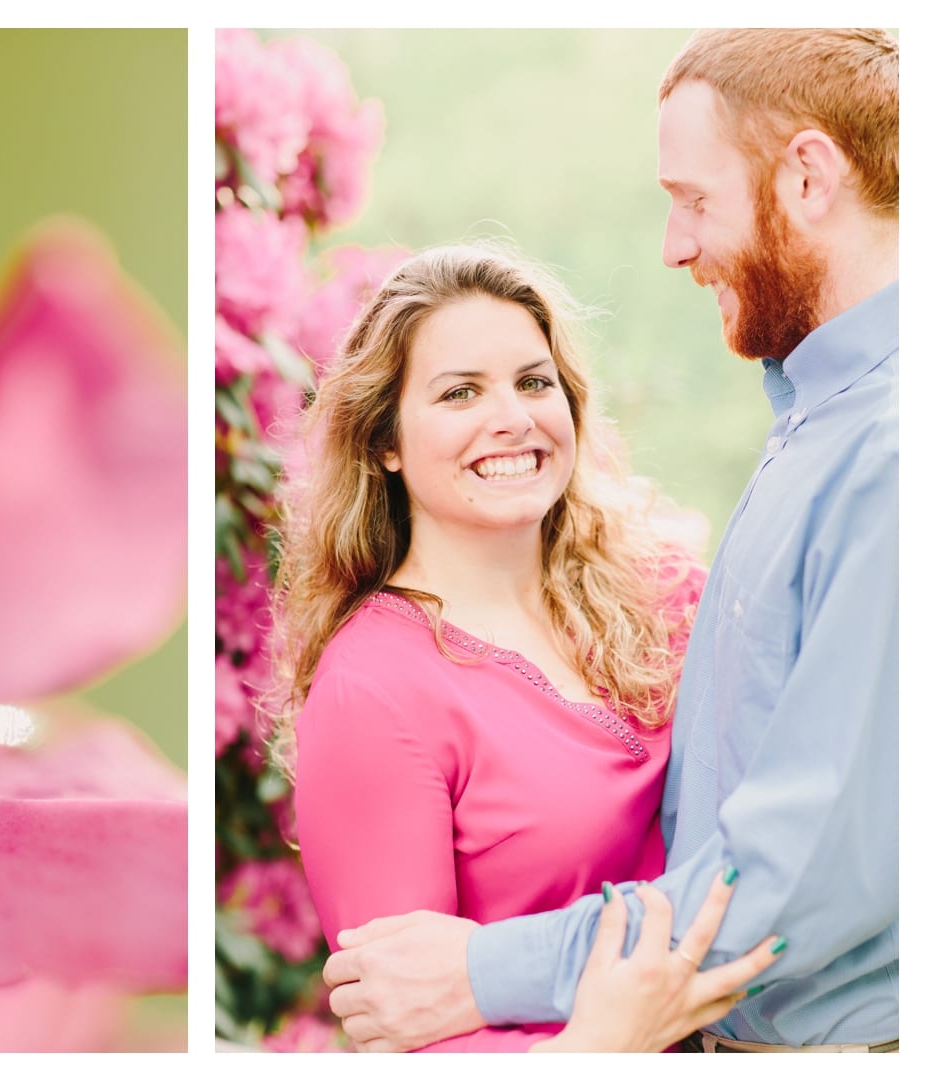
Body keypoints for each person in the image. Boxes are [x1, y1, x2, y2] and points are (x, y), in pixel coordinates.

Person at [320, 27, 898, 1054]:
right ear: (385, 443)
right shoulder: (810, 424)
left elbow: (802, 869)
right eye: (457, 392)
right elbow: (396, 1009)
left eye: (693, 199)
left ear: (807, 175)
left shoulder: (875, 457)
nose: (674, 244)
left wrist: (486, 968)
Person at [268, 242, 779, 1051]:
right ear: (385, 441)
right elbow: (405, 1029)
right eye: (460, 392)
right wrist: (603, 1045)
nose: (512, 417)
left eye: (533, 382)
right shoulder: (372, 693)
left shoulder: (665, 588)